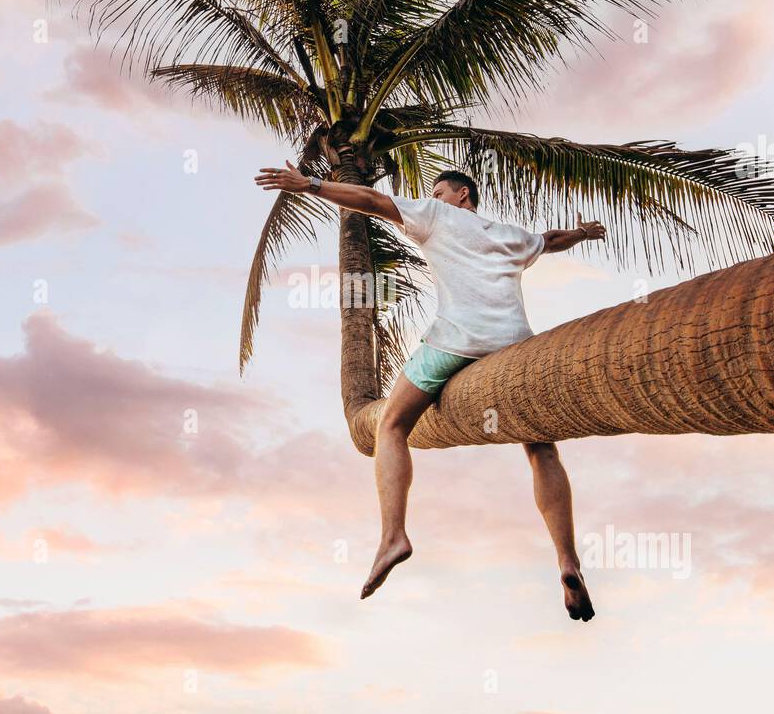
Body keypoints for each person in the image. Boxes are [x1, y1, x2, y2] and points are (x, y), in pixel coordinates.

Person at [255, 162, 606, 620]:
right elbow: (551, 240)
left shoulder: (437, 215)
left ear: (463, 196)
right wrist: (581, 233)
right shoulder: (511, 235)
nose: (432, 197)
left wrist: (312, 185)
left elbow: (373, 202)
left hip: (456, 342)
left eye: (440, 191)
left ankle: (392, 536)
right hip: (515, 345)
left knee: (392, 425)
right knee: (541, 450)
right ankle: (567, 560)